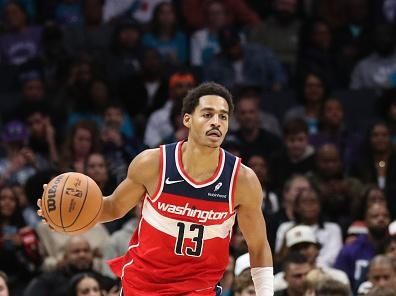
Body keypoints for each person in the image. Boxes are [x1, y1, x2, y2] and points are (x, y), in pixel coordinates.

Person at [38, 82, 273, 295]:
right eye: (208, 114)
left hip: (198, 289)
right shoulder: (153, 164)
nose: (216, 122)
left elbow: (259, 245)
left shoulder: (242, 180)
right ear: (187, 119)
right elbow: (113, 207)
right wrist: (63, 216)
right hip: (143, 285)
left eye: (223, 117)